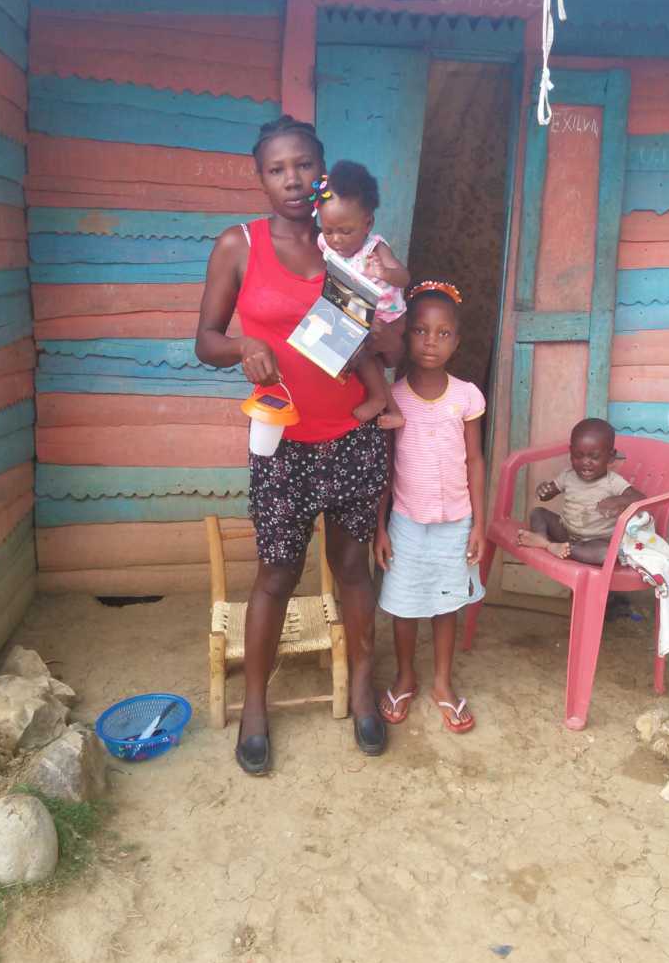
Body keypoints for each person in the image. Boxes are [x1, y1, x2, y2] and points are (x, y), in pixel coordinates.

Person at [195, 116, 390, 775]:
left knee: (354, 566)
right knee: (278, 572)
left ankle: (362, 690)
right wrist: (245, 346)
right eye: (277, 168)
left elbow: (388, 333)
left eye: (304, 165)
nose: (293, 179)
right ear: (260, 176)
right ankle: (255, 704)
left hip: (353, 436)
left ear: (322, 169)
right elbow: (206, 341)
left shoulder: (349, 244)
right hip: (284, 442)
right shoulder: (239, 246)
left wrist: (377, 328)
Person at [373, 283, 485, 734]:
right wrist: (380, 527)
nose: (430, 342)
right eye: (420, 330)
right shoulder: (393, 396)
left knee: (445, 604)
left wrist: (478, 523)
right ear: (405, 337)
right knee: (403, 605)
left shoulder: (467, 396)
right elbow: (383, 469)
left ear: (456, 341)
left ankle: (441, 682)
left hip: (456, 522)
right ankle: (406, 675)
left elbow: (475, 460)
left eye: (442, 333)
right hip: (405, 522)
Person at [315, 160, 409, 429]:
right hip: (359, 311)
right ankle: (391, 408)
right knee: (362, 356)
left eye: (346, 231)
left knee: (364, 354)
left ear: (368, 223)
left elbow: (404, 277)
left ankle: (380, 399)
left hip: (389, 316)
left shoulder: (374, 249)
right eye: (329, 230)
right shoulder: (325, 243)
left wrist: (385, 272)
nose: (336, 239)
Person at [518, 417, 644, 565]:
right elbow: (549, 493)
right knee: (538, 513)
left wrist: (617, 500)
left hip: (596, 540)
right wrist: (544, 490)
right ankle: (541, 538)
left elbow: (639, 498)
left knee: (605, 554)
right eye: (578, 455)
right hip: (566, 532)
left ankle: (554, 547)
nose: (585, 462)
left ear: (610, 457)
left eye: (594, 457)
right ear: (571, 452)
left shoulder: (613, 482)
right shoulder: (568, 475)